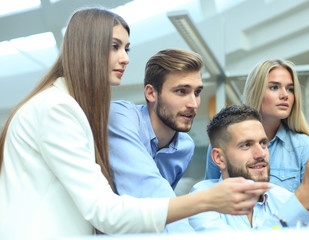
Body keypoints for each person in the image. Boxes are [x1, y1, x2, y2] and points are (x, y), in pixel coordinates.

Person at [0, 8, 271, 240]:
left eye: (126, 48)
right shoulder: (56, 109)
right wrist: (204, 201)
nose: (126, 58)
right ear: (88, 46)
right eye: (115, 46)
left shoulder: (65, 107)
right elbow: (105, 211)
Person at [204, 59, 309, 232]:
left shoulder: (302, 146)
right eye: (274, 87)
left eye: (290, 89)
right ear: (257, 91)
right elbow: (211, 200)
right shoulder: (223, 145)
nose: (285, 95)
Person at [190, 105, 309, 231]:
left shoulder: (283, 198)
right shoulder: (202, 199)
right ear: (219, 158)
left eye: (263, 143)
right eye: (246, 145)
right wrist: (307, 195)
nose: (261, 153)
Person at [108, 48, 209, 232]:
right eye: (181, 91)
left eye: (197, 92)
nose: (193, 104)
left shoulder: (185, 147)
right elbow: (150, 190)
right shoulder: (121, 117)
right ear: (151, 93)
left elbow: (162, 212)